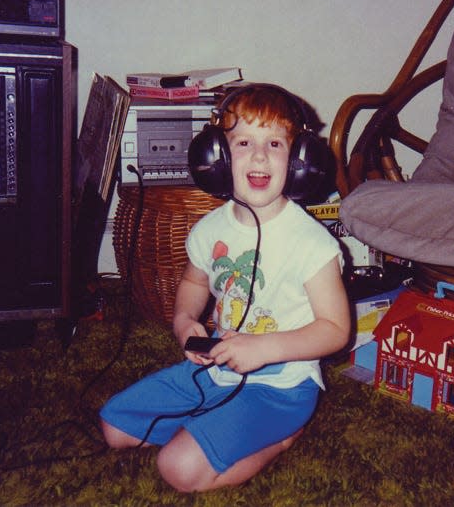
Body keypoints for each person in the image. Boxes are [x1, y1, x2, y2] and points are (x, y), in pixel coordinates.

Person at [100, 84, 351, 492]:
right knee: (114, 426)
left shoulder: (312, 244)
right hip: (218, 369)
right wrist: (184, 322)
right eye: (243, 142)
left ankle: (281, 439)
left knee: (177, 468)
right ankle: (212, 424)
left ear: (300, 160)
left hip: (281, 388)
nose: (259, 156)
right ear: (215, 157)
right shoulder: (208, 230)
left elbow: (336, 329)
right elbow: (194, 282)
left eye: (274, 143)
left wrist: (263, 348)